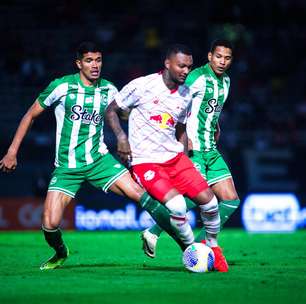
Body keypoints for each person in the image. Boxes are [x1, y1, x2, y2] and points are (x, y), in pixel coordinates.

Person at [0, 41, 189, 270]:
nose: (95, 65)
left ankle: (187, 248)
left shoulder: (109, 89)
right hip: (68, 166)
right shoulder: (62, 87)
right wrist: (12, 151)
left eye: (98, 60)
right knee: (49, 225)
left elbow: (128, 115)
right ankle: (61, 252)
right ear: (78, 63)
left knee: (142, 195)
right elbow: (30, 115)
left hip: (100, 161)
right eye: (89, 61)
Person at [106, 44, 228, 272]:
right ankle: (194, 252)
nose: (185, 71)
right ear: (167, 64)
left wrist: (185, 158)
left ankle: (211, 246)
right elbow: (111, 110)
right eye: (181, 66)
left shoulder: (186, 94)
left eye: (189, 67)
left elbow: (181, 128)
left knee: (211, 203)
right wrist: (121, 137)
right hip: (146, 161)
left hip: (175, 159)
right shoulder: (142, 85)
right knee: (178, 206)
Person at [142, 39, 240, 257]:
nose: (222, 62)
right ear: (209, 56)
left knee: (231, 200)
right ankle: (157, 232)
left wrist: (216, 126)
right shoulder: (196, 77)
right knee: (198, 197)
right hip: (192, 147)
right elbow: (173, 102)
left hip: (211, 149)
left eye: (227, 58)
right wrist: (179, 139)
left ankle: (198, 247)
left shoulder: (226, 82)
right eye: (218, 56)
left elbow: (211, 109)